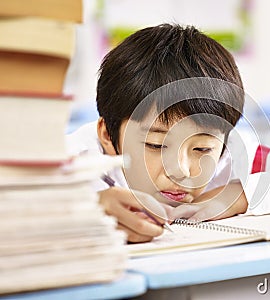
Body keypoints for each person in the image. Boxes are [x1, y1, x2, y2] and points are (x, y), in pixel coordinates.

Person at [67, 23, 248, 243]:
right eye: (156, 145)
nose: (181, 171)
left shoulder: (231, 153)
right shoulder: (74, 161)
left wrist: (238, 195)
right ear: (107, 136)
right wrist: (84, 211)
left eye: (202, 148)